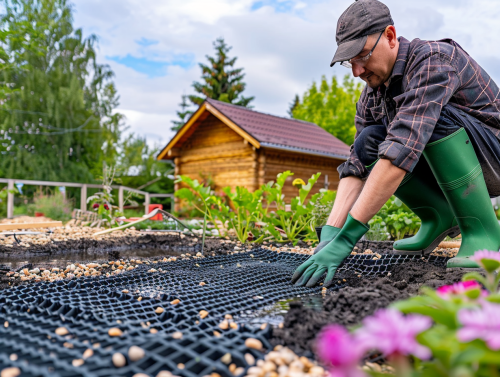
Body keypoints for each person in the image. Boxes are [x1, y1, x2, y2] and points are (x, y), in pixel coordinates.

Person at [292, 0, 500, 287]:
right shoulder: (372, 95)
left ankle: (483, 231)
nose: (356, 71)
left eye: (361, 56)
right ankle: (439, 216)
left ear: (389, 36)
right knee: (369, 140)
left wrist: (348, 239)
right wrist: (331, 233)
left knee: (427, 119)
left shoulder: (433, 60)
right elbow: (356, 164)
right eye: (348, 62)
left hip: (492, 157)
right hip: (450, 165)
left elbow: (402, 147)